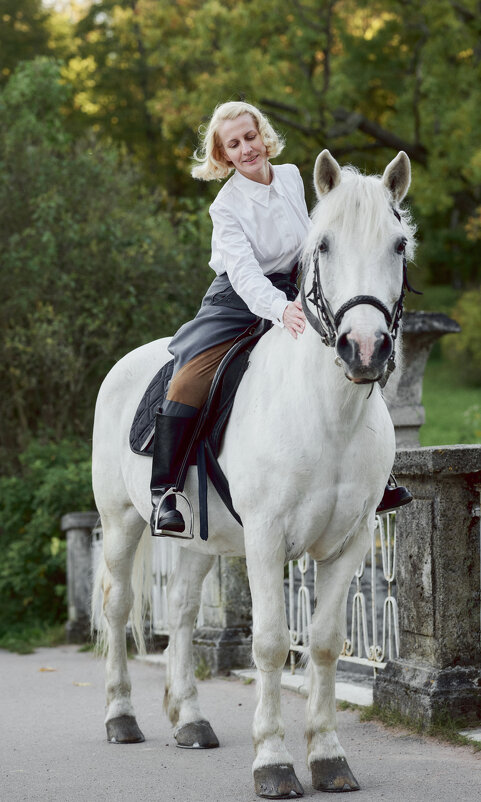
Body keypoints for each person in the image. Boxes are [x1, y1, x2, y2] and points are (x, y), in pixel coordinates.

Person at [150, 101, 411, 538]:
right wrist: (279, 308)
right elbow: (245, 273)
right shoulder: (226, 207)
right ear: (223, 154)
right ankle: (166, 491)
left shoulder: (291, 176)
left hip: (303, 287)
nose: (246, 149)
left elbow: (322, 237)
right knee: (188, 379)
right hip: (238, 299)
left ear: (263, 136)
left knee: (360, 345)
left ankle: (376, 476)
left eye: (250, 137)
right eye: (233, 144)